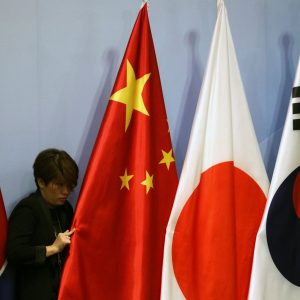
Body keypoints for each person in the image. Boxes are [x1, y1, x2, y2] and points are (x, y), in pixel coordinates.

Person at [7, 148, 79, 300]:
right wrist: (52, 248)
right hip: (34, 293)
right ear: (41, 182)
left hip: (63, 291)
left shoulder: (66, 209)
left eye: (70, 185)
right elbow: (14, 252)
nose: (66, 191)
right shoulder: (28, 209)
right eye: (59, 185)